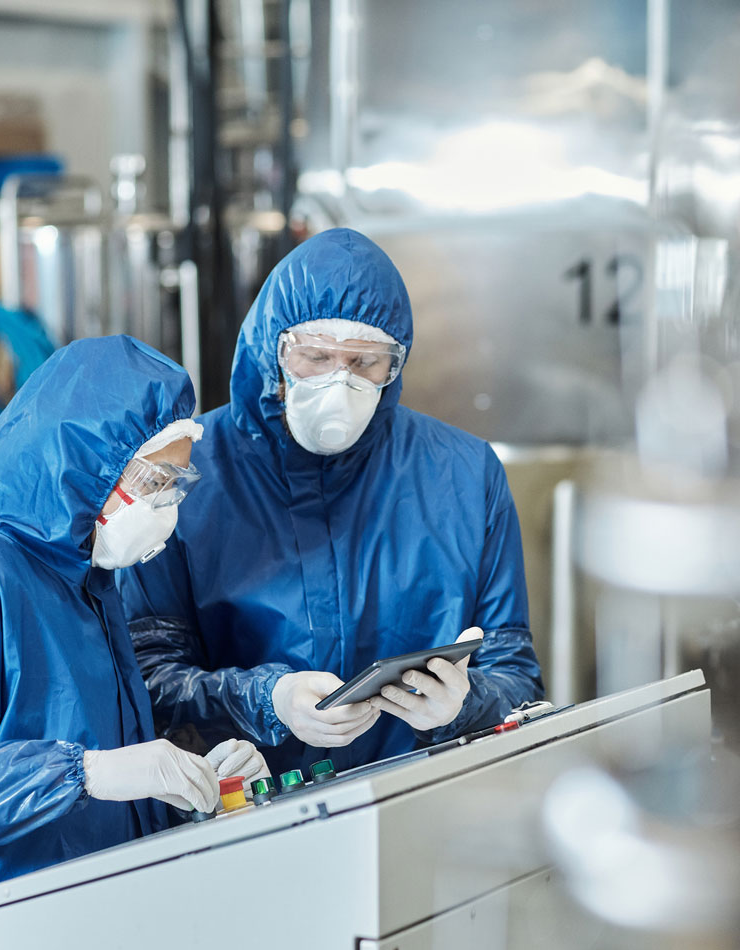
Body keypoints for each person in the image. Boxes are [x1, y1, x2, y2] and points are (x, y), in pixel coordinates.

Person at [0, 335, 267, 950]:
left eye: (176, 484)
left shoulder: (91, 589)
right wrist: (86, 772)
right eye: (155, 482)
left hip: (71, 947)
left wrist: (199, 784)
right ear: (82, 465)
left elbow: (96, 791)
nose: (168, 504)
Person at [118, 228, 544, 778]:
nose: (338, 383)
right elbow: (145, 675)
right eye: (315, 356)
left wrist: (464, 706)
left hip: (419, 795)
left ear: (396, 364)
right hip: (248, 807)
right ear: (273, 349)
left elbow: (516, 677)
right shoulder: (190, 473)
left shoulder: (464, 474)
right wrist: (267, 699)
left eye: (365, 362)